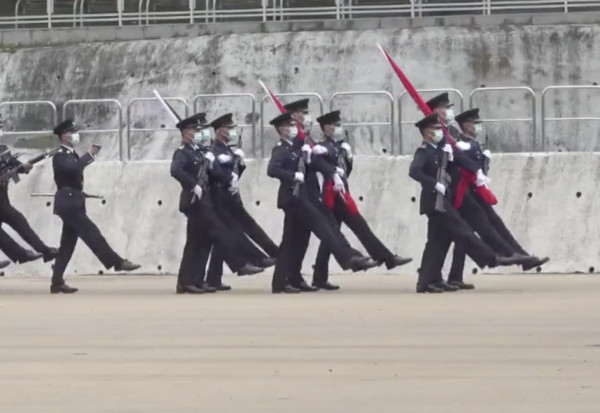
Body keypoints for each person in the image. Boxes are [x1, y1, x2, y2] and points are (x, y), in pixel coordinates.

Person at [408, 113, 529, 293]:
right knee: (462, 229)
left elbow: (454, 167)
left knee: (437, 243)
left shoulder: (441, 151)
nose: (439, 131)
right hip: (434, 202)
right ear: (426, 132)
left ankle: (428, 281)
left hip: (443, 200)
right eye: (435, 129)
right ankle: (491, 258)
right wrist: (435, 184)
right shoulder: (424, 152)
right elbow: (414, 172)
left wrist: (472, 168)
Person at [267, 111, 376, 294]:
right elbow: (272, 170)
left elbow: (311, 165)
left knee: (297, 241)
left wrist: (327, 165)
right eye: (290, 126)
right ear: (281, 130)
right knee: (322, 226)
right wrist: (293, 175)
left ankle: (288, 280)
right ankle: (348, 257)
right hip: (292, 199)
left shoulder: (298, 146)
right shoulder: (281, 149)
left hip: (304, 197)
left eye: (294, 125)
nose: (294, 128)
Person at [446, 108, 549, 288]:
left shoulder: (474, 144)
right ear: (465, 125)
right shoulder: (462, 145)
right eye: (474, 123)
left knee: (476, 233)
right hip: (466, 195)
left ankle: (520, 255)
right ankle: (512, 255)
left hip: (476, 194)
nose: (477, 127)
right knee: (480, 230)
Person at [310, 110, 412, 290]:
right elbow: (317, 164)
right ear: (326, 128)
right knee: (337, 236)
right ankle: (386, 258)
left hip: (342, 196)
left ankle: (386, 258)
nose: (338, 128)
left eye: (339, 124)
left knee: (348, 232)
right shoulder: (322, 147)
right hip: (330, 199)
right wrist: (331, 169)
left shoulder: (341, 147)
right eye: (335, 125)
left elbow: (346, 173)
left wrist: (348, 161)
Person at [171, 113, 263, 294]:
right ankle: (239, 264)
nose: (198, 133)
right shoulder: (182, 153)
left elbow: (216, 176)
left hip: (204, 202)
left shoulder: (200, 152)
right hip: (193, 202)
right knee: (212, 235)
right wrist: (193, 185)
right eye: (194, 130)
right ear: (185, 133)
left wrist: (236, 165)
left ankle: (193, 281)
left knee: (200, 243)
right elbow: (176, 170)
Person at [51, 119, 140, 294]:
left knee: (68, 244)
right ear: (63, 135)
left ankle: (56, 282)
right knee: (92, 233)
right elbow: (73, 170)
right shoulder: (60, 155)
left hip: (73, 200)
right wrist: (90, 155)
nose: (75, 134)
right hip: (68, 203)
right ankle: (117, 262)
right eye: (71, 131)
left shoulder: (70, 154)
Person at [204, 113, 278, 291]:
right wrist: (223, 172)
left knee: (232, 235)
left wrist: (240, 164)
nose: (232, 131)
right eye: (229, 128)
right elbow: (214, 176)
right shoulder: (213, 151)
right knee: (232, 232)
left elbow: (235, 177)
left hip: (231, 198)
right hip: (219, 198)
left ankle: (213, 279)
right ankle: (256, 258)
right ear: (220, 131)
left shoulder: (230, 150)